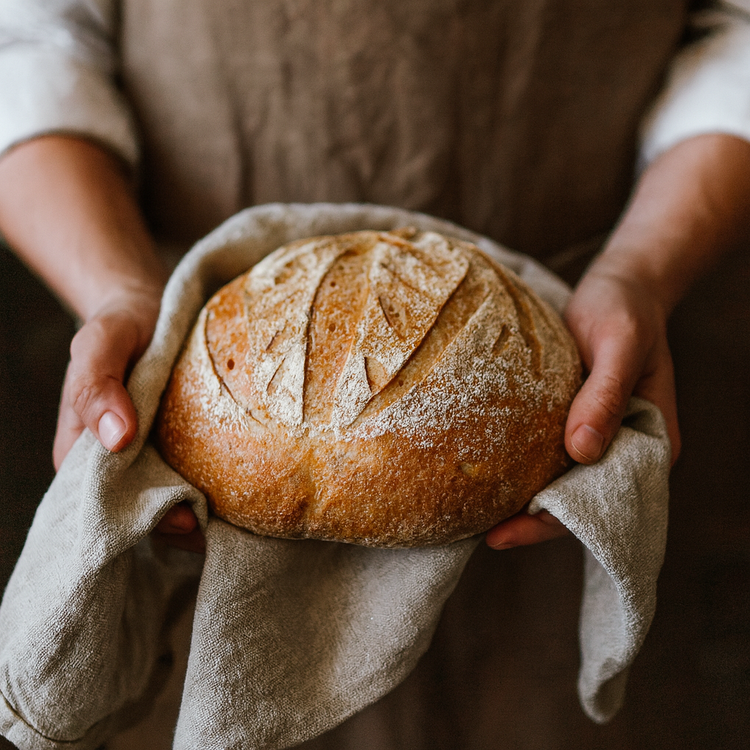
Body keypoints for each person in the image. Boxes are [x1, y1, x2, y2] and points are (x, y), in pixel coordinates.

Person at [0, 0, 749, 745]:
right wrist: (120, 292)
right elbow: (26, 41)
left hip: (592, 352)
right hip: (192, 358)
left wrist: (642, 271)